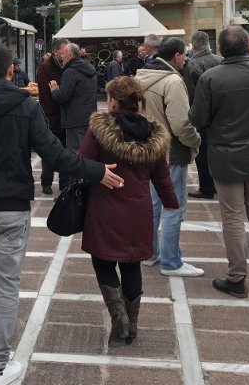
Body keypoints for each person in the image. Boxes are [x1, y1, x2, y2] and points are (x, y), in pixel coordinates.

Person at [0, 44, 123, 385]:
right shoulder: (24, 106)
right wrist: (95, 170)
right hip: (11, 207)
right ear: (11, 71)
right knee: (5, 284)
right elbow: (54, 153)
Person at [81, 76, 179, 347]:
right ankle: (132, 325)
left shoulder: (99, 128)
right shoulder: (154, 133)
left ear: (112, 100)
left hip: (105, 208)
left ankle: (118, 317)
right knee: (132, 264)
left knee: (103, 261)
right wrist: (171, 201)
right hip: (139, 210)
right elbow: (161, 177)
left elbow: (83, 162)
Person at [189, 27, 249, 299]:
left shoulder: (210, 77)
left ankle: (237, 277)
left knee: (232, 217)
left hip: (225, 157)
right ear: (248, 47)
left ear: (220, 48)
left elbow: (197, 119)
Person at [134, 37, 202, 277]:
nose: (186, 58)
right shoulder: (172, 80)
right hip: (170, 153)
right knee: (173, 207)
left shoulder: (140, 76)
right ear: (175, 56)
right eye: (185, 54)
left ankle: (150, 253)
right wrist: (196, 141)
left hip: (147, 151)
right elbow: (181, 124)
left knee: (152, 205)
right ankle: (171, 262)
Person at [185, 31, 222, 200]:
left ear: (194, 47)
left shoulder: (192, 64)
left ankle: (207, 187)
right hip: (222, 115)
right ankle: (220, 184)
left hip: (204, 118)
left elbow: (192, 95)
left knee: (203, 153)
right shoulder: (221, 61)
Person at [49, 42, 98, 154]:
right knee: (87, 151)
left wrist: (55, 90)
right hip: (89, 118)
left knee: (75, 153)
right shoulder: (90, 69)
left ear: (71, 55)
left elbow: (62, 97)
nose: (62, 56)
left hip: (74, 120)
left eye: (64, 53)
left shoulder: (70, 72)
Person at [36, 43, 68, 195]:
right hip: (51, 115)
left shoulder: (67, 65)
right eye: (63, 51)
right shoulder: (45, 67)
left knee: (65, 151)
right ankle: (46, 182)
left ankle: (64, 182)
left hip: (66, 116)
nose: (64, 55)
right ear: (56, 51)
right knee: (49, 150)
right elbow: (46, 93)